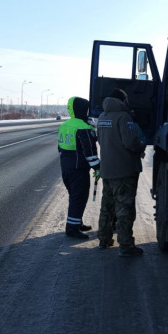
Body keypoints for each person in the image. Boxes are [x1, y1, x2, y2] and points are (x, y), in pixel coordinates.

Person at [96, 89, 146, 256]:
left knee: (107, 206)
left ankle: (104, 239)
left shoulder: (102, 117)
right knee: (124, 209)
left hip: (107, 169)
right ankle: (126, 245)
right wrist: (141, 146)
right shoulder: (123, 117)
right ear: (122, 100)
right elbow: (130, 142)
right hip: (124, 171)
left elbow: (101, 140)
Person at [58, 96, 101, 239]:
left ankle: (77, 222)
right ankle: (72, 229)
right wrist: (98, 168)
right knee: (79, 197)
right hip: (79, 170)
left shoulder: (65, 125)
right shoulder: (84, 128)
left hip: (66, 168)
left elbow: (60, 148)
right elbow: (90, 154)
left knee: (75, 197)